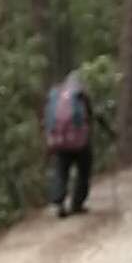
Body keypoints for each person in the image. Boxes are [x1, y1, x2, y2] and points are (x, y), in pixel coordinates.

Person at [43, 70, 94, 217]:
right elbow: (91, 115)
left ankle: (58, 203)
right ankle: (77, 204)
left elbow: (48, 119)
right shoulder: (81, 94)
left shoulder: (56, 93)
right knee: (84, 171)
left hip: (60, 142)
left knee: (60, 171)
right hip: (80, 142)